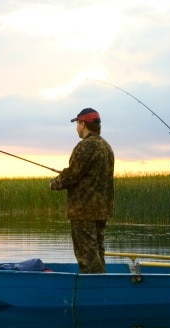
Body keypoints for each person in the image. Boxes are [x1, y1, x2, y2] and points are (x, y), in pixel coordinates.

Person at [50, 107, 114, 273]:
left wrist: (55, 182)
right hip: (101, 210)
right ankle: (102, 287)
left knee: (87, 256)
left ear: (83, 124)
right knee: (97, 252)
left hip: (83, 210)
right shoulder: (106, 147)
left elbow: (71, 175)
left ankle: (94, 291)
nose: (77, 128)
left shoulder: (85, 146)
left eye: (77, 124)